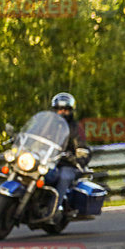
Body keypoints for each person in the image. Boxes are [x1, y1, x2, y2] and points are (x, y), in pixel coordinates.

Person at [49, 92, 90, 223]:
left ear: (71, 111)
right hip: (48, 161)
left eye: (65, 110)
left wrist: (78, 158)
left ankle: (53, 210)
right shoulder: (48, 125)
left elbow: (82, 147)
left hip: (68, 164)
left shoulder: (76, 128)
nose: (62, 112)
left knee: (63, 176)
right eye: (59, 109)